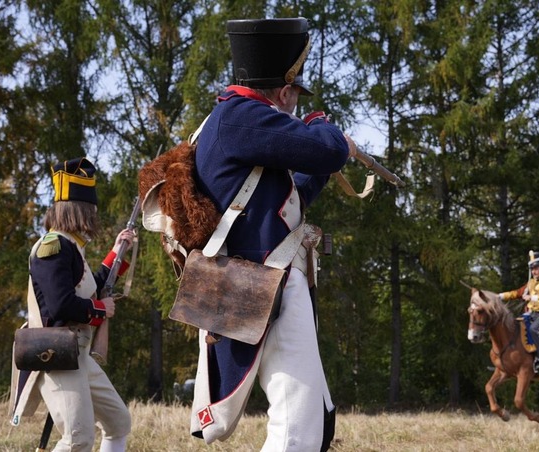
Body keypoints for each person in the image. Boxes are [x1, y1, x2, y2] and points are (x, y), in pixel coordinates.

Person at [186, 17, 356, 452]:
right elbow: (326, 146)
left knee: (313, 421)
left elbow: (284, 201)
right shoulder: (242, 116)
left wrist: (326, 159)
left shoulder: (235, 121)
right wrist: (326, 128)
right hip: (264, 284)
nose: (297, 105)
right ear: (284, 92)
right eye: (297, 96)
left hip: (268, 284)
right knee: (296, 432)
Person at [10, 157, 134, 452]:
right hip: (57, 355)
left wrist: (117, 254)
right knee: (78, 439)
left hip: (77, 354)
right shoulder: (51, 247)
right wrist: (101, 309)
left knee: (118, 423)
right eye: (90, 210)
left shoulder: (71, 247)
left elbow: (88, 288)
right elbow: (61, 306)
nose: (94, 215)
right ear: (80, 210)